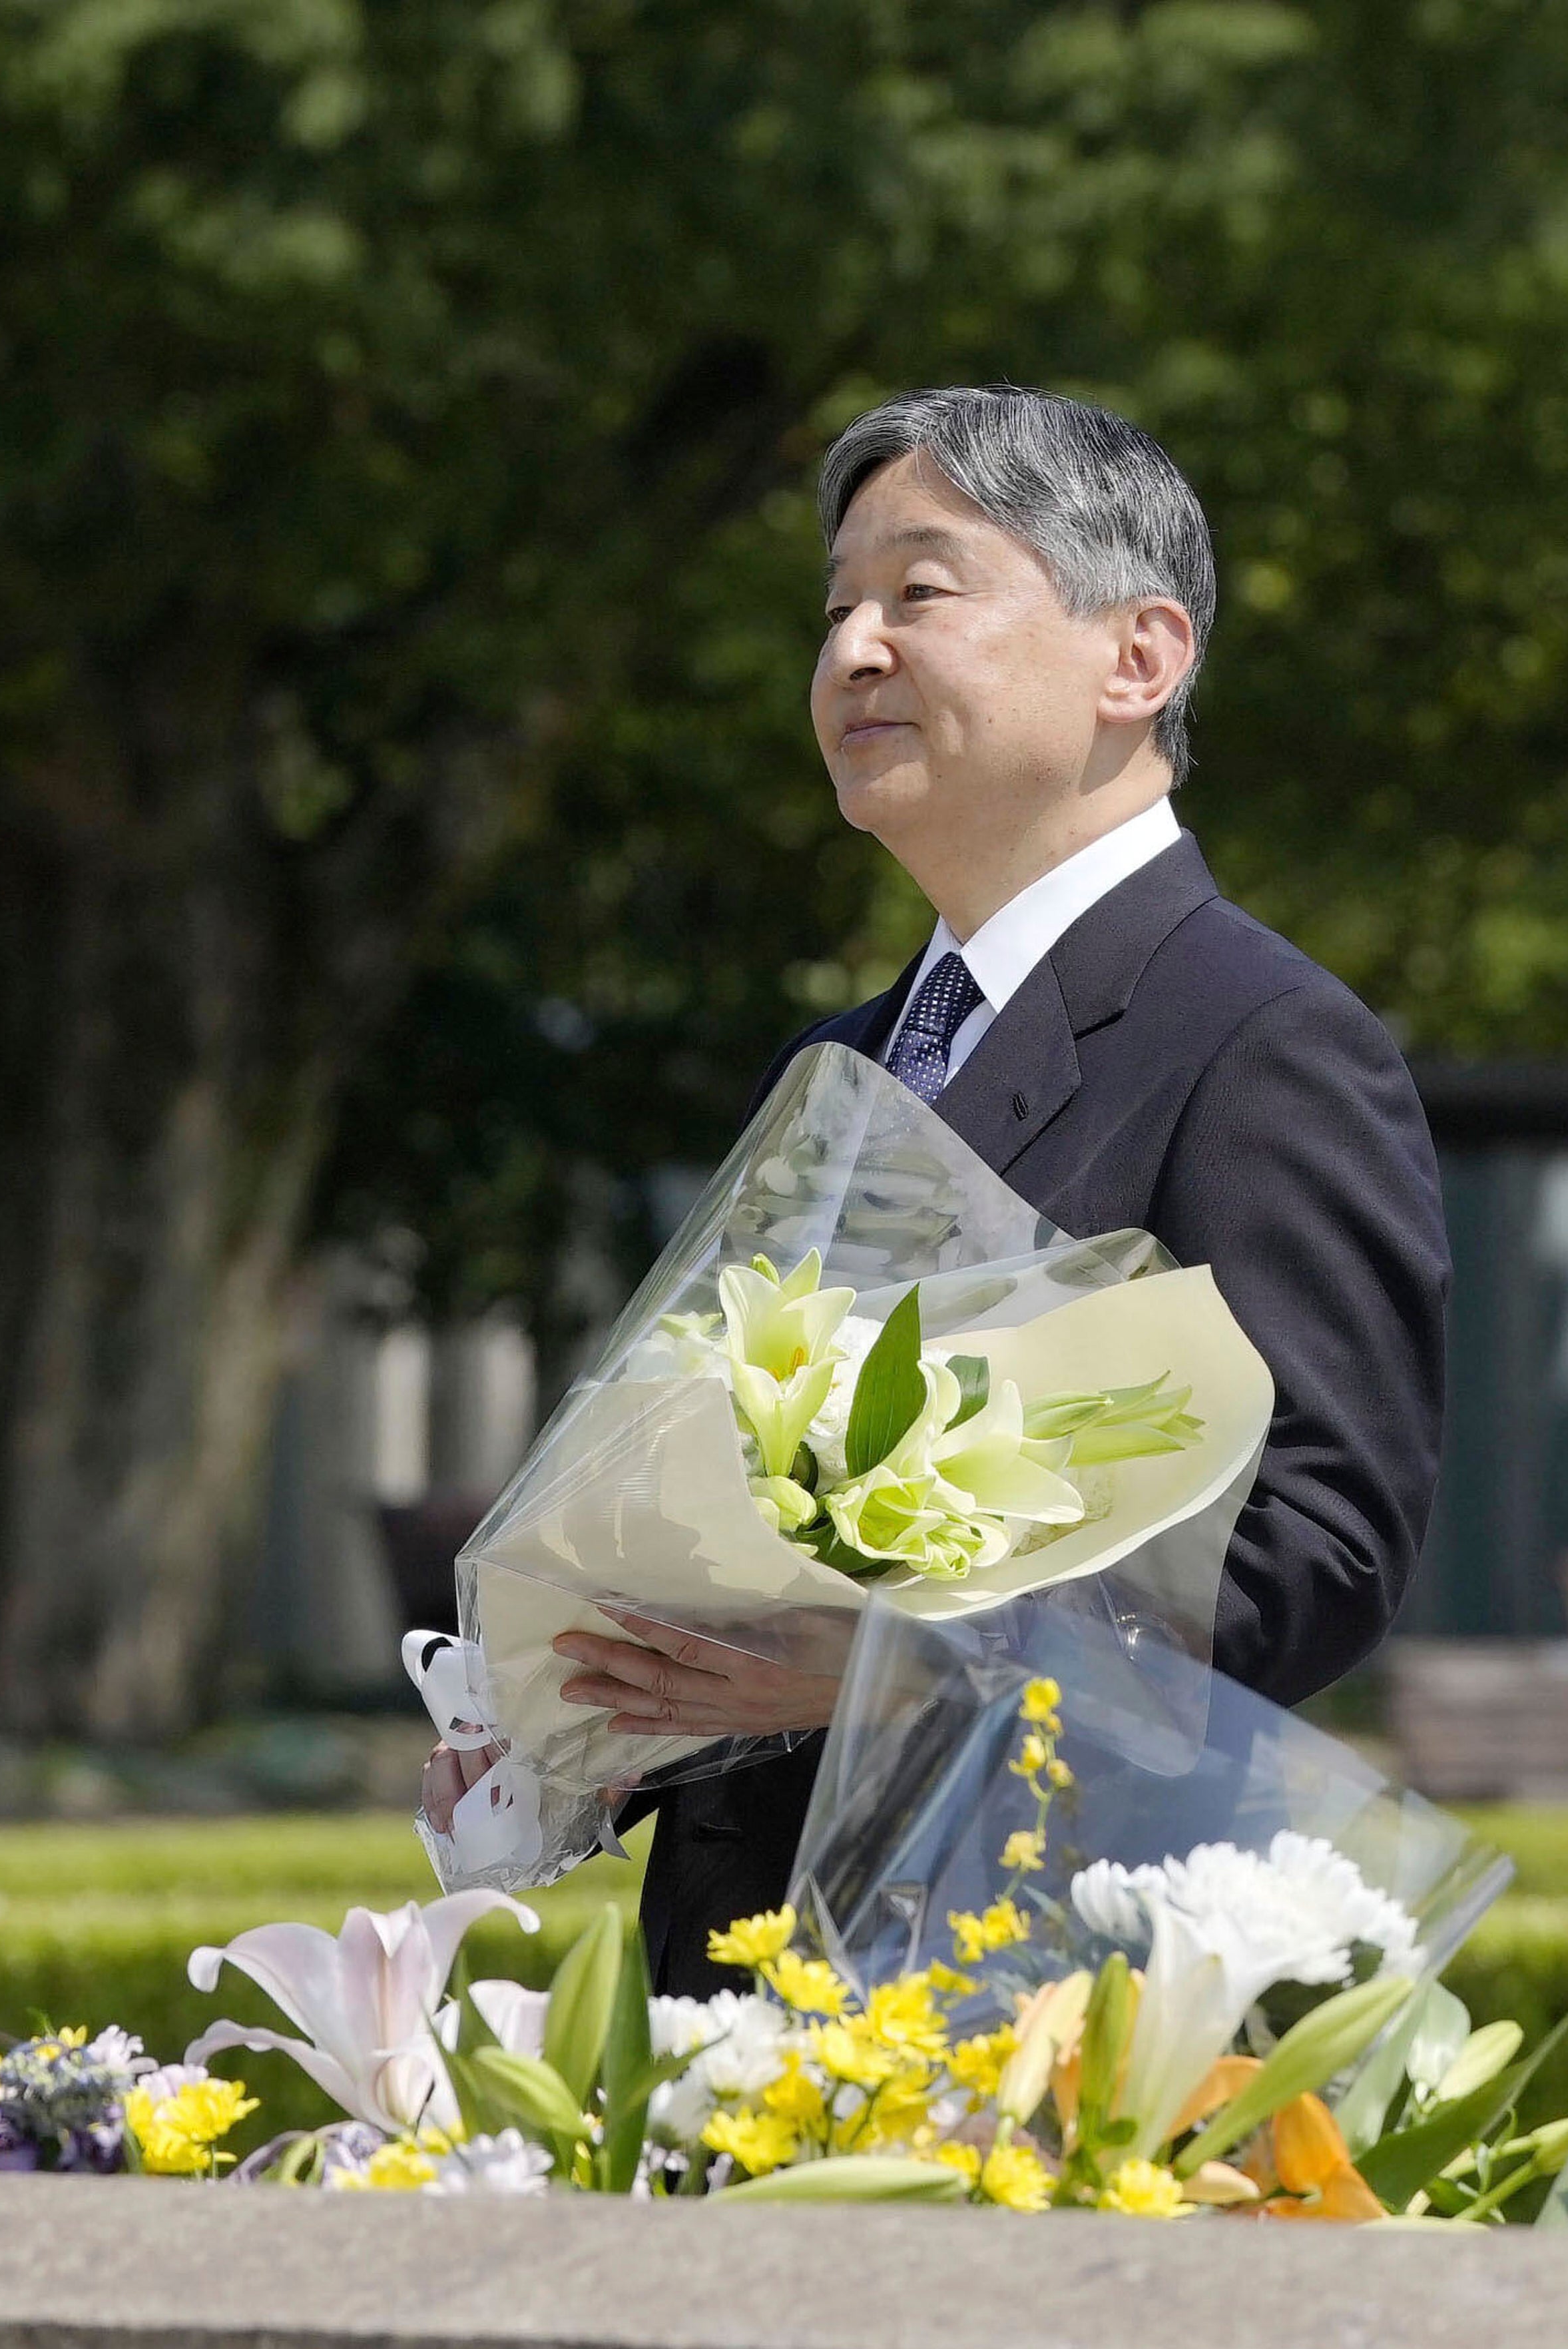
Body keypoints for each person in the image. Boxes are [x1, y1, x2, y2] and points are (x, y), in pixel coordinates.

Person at [431, 385, 1451, 1995]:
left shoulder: (1261, 1043)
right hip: (734, 1983)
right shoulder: (838, 1069)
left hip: (1031, 1985)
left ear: (1141, 657)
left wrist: (900, 1666)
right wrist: (597, 1716)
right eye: (835, 608)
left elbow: (1316, 1552)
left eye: (920, 591)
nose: (851, 650)